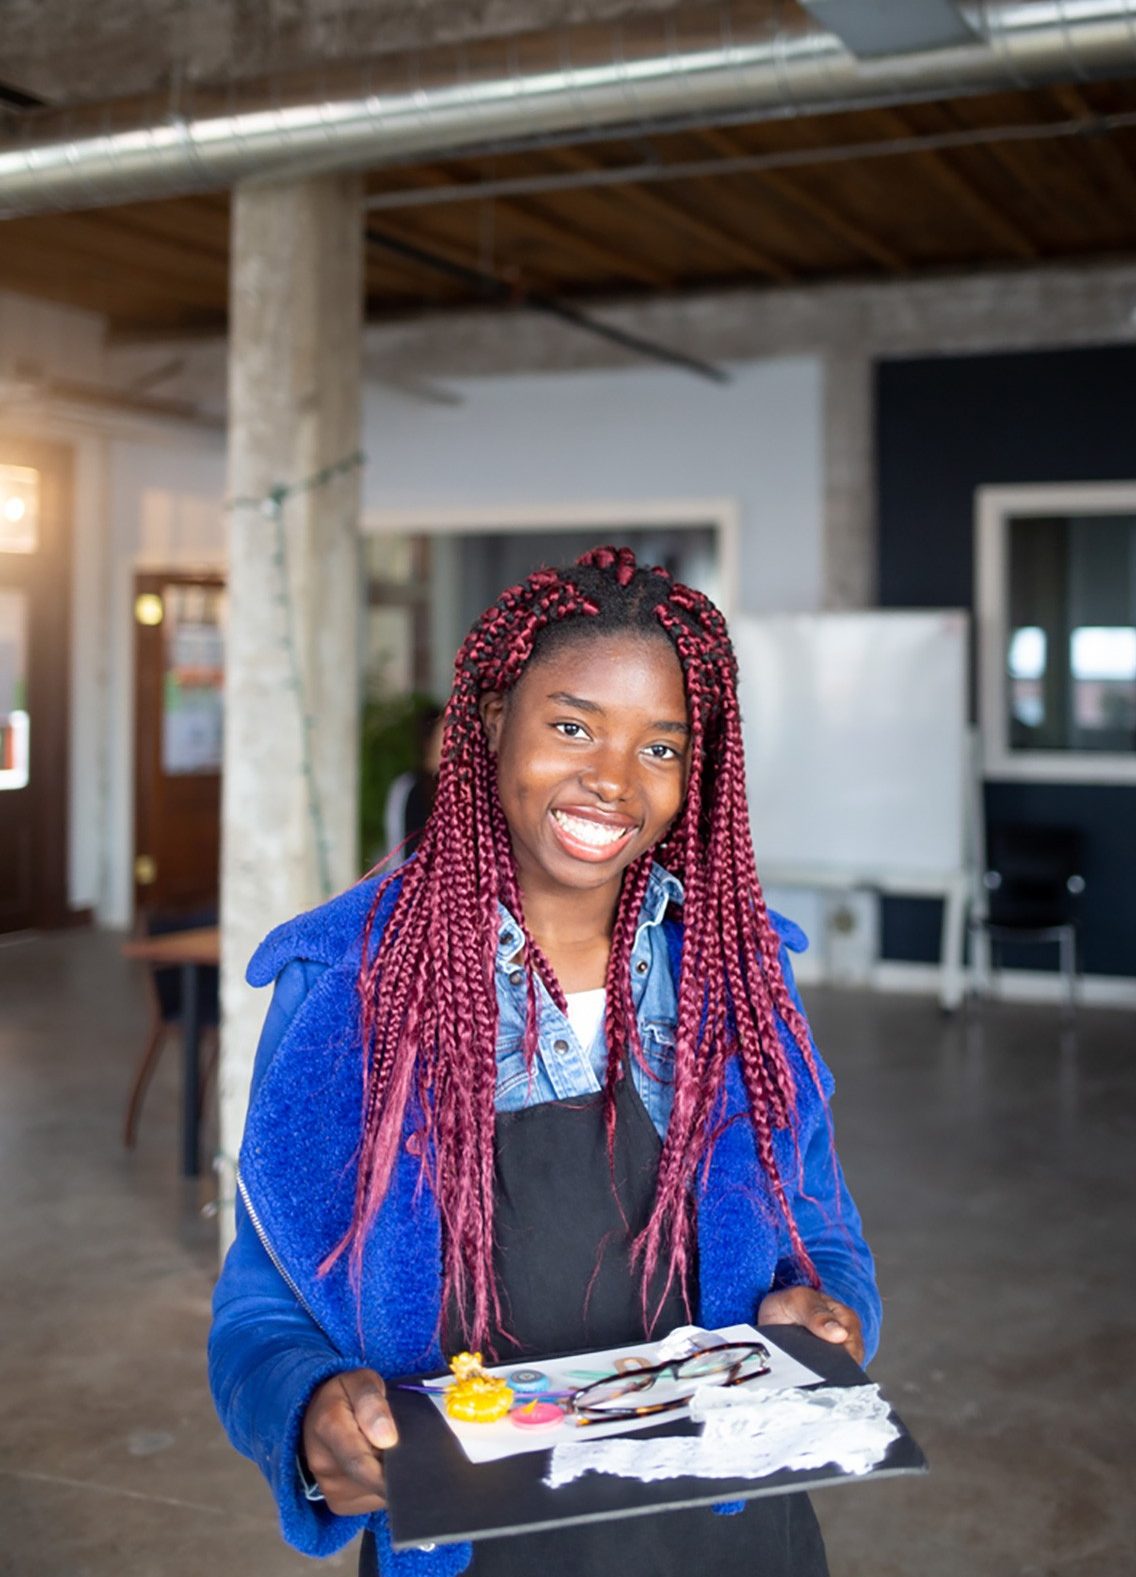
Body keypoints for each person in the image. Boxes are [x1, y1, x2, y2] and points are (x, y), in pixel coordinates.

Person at [209, 546, 881, 1577]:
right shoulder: (351, 982)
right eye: (571, 726)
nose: (612, 780)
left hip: (725, 1537)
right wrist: (304, 1412)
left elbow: (822, 1227)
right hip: (475, 1545)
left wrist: (825, 1308)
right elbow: (263, 1304)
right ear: (484, 718)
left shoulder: (736, 974)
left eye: (660, 747)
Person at [383, 703, 445, 866]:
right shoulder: (407, 787)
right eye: (443, 735)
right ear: (428, 742)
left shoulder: (462, 787)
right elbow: (396, 842)